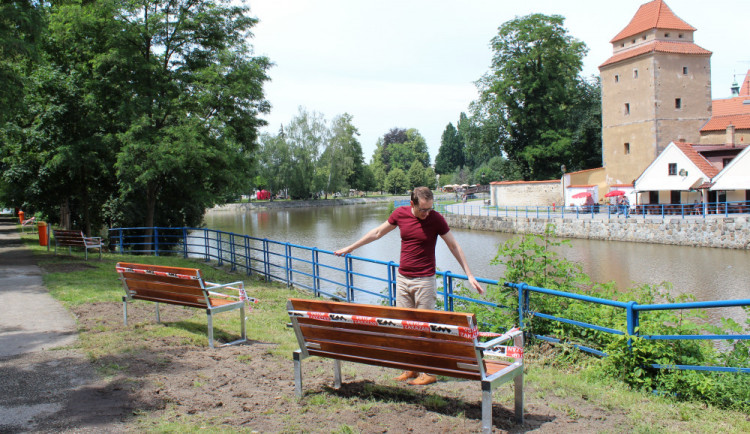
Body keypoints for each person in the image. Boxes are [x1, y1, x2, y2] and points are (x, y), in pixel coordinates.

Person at [334, 186, 484, 386]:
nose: (427, 213)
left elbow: (453, 245)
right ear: (412, 204)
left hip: (425, 281)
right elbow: (377, 232)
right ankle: (411, 369)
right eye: (423, 209)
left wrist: (469, 274)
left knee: (425, 329)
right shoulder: (400, 214)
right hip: (403, 280)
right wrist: (350, 248)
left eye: (430, 208)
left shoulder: (436, 219)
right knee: (405, 327)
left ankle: (429, 372)